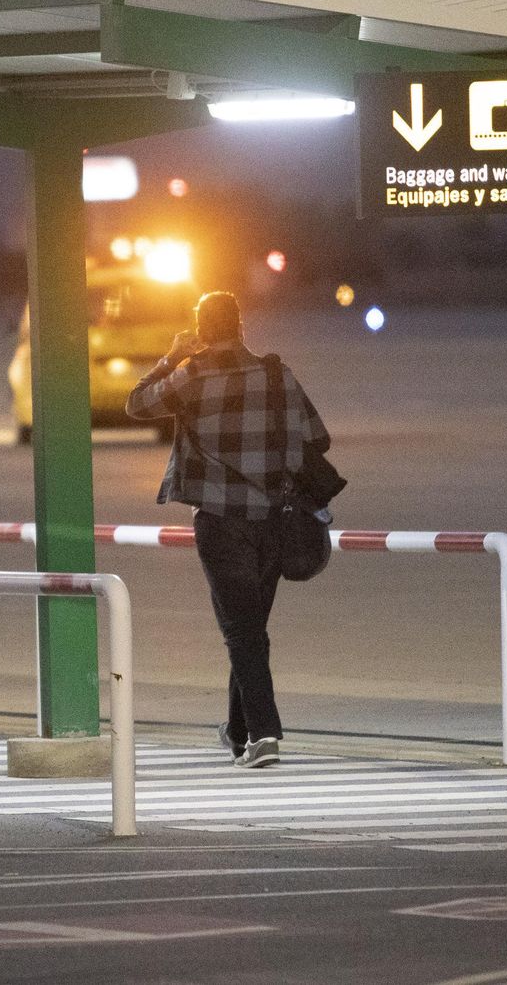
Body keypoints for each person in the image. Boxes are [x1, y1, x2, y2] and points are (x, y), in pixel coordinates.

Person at [126, 292, 331, 769]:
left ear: (202, 330)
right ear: (240, 327)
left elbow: (137, 403)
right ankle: (237, 731)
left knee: (241, 631)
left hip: (221, 522)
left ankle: (264, 735)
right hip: (275, 520)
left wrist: (174, 355)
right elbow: (317, 437)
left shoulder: (191, 373)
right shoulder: (278, 374)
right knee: (251, 628)